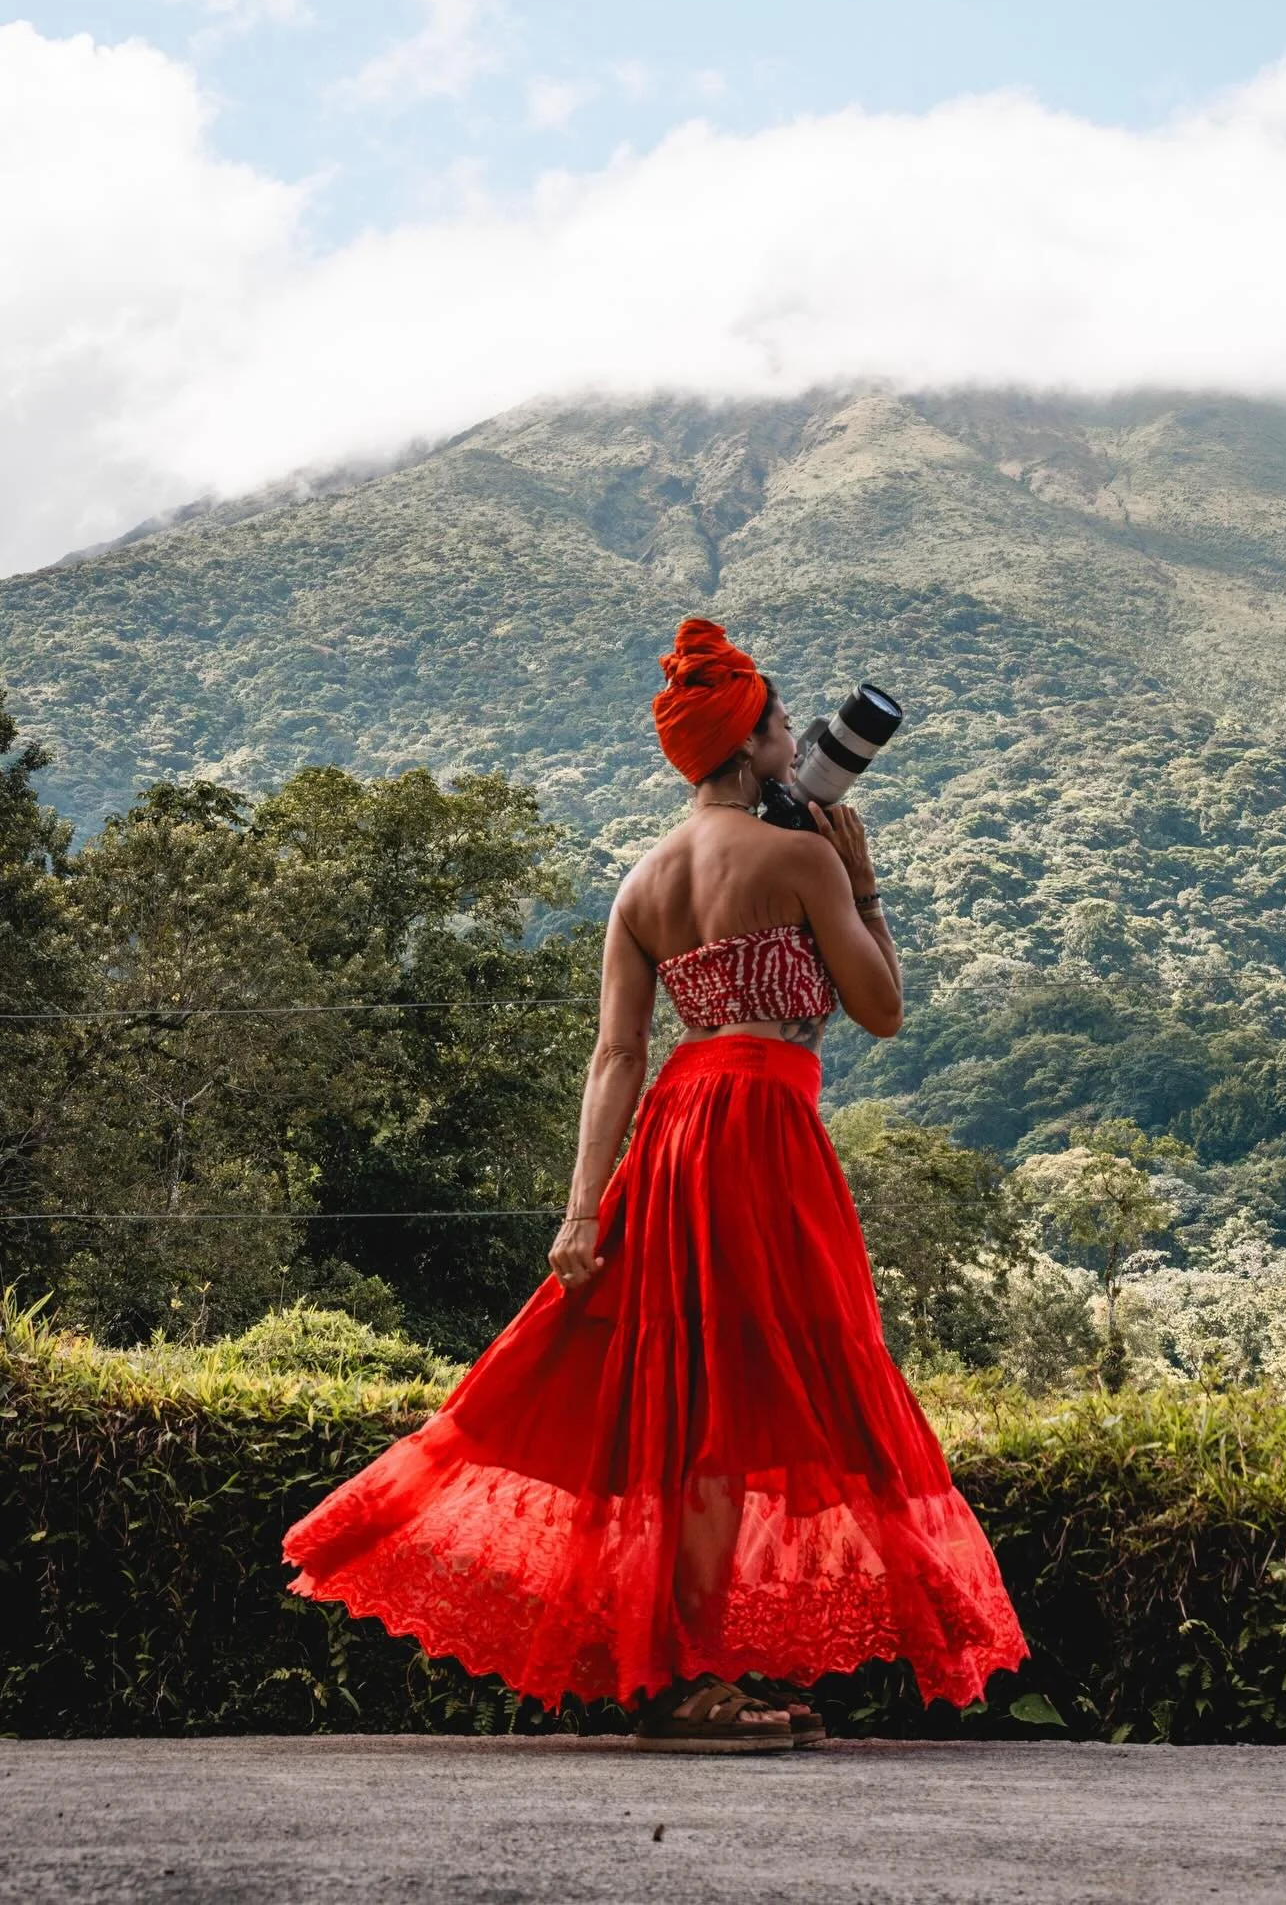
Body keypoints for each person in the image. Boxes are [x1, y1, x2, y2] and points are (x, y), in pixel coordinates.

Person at [282, 616, 1028, 1753]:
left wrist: (582, 1209)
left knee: (688, 1395)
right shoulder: (806, 857)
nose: (798, 734)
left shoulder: (642, 879)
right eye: (785, 720)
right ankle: (688, 1680)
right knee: (762, 1382)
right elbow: (882, 1010)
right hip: (764, 1126)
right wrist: (865, 883)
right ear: (759, 745)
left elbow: (615, 1059)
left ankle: (700, 1666)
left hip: (674, 1130)